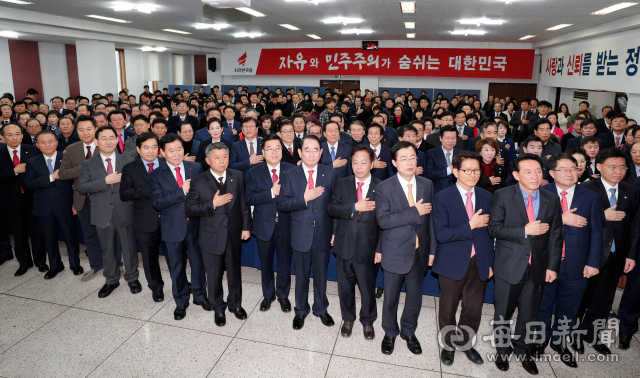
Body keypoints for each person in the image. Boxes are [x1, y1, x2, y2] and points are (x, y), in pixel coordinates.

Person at [487, 154, 563, 375]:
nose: (534, 175)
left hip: (537, 267)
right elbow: (493, 229)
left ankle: (523, 349)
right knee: (503, 312)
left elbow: (556, 236)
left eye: (538, 171)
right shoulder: (503, 195)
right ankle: (502, 349)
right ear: (515, 175)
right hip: (508, 266)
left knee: (529, 313)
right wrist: (524, 231)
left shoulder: (551, 199)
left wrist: (552, 266)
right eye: (528, 171)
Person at [531, 153, 603, 368]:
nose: (570, 173)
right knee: (543, 304)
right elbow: (532, 225)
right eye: (563, 169)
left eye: (573, 168)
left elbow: (597, 233)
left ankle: (559, 341)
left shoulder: (589, 196)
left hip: (578, 263)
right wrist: (561, 219)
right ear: (551, 173)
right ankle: (541, 338)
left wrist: (593, 263)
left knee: (569, 307)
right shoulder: (540, 193)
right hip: (545, 263)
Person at [574, 148, 640, 355]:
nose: (618, 171)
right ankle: (573, 333)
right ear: (600, 166)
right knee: (581, 296)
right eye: (613, 166)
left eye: (622, 167)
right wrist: (603, 216)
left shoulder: (632, 191)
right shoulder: (585, 189)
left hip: (617, 254)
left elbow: (636, 227)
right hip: (589, 254)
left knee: (604, 298)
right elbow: (575, 224)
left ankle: (592, 334)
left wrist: (631, 255)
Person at [432, 150, 494, 366]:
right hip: (452, 261)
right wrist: (470, 225)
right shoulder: (442, 197)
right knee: (448, 308)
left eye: (476, 170)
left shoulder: (487, 196)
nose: (472, 174)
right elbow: (442, 234)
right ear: (455, 171)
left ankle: (466, 343)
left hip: (480, 262)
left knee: (473, 308)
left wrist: (490, 263)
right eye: (467, 170)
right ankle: (448, 344)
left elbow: (489, 234)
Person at [376, 141, 436, 356]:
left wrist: (432, 250)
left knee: (414, 297)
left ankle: (408, 331)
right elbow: (383, 220)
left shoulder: (427, 184)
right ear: (394, 162)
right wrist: (414, 211)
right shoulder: (384, 187)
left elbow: (430, 220)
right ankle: (390, 332)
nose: (409, 162)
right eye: (403, 158)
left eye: (412, 157)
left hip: (419, 252)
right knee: (390, 298)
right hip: (394, 251)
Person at [185, 141, 252, 326]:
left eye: (225, 157)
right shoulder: (199, 181)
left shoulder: (237, 176)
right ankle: (218, 308)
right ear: (207, 160)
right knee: (214, 275)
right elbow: (190, 209)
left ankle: (235, 304)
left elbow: (243, 205)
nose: (221, 161)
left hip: (233, 234)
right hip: (210, 236)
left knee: (234, 273)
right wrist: (213, 204)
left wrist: (246, 227)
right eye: (217, 157)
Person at [278, 135, 335, 330]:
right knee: (301, 276)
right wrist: (304, 198)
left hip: (323, 233)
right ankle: (301, 310)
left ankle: (321, 308)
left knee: (321, 275)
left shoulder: (330, 173)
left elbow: (335, 206)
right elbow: (283, 204)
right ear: (300, 153)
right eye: (307, 150)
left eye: (315, 150)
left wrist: (334, 231)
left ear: (321, 152)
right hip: (300, 234)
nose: (311, 153)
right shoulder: (289, 174)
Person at [148, 134, 208, 320]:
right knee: (177, 266)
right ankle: (181, 302)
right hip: (172, 227)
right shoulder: (156, 175)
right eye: (171, 150)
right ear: (163, 153)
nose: (176, 154)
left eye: (179, 149)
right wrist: (182, 191)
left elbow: (205, 193)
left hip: (197, 225)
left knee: (199, 263)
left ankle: (200, 295)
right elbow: (158, 202)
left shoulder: (195, 167)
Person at [78, 126, 139, 298]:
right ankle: (111, 280)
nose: (108, 141)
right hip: (102, 211)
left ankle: (132, 277)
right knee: (108, 249)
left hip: (125, 210)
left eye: (111, 137)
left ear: (116, 140)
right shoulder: (88, 164)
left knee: (129, 247)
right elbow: (82, 187)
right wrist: (105, 180)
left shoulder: (127, 160)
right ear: (96, 141)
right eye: (103, 138)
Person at [327, 145, 381, 340]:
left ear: (372, 164)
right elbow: (332, 209)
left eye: (364, 162)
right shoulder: (342, 183)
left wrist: (380, 248)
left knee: (367, 289)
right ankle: (348, 318)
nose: (359, 166)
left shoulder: (381, 186)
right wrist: (353, 207)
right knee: (345, 287)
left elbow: (384, 222)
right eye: (355, 162)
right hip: (344, 245)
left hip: (368, 248)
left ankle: (367, 321)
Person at [58, 115, 112, 282]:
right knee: (89, 235)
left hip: (104, 197)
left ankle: (115, 265)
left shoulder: (106, 144)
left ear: (96, 128)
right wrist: (85, 167)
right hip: (82, 198)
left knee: (109, 234)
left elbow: (111, 170)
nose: (85, 132)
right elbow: (63, 173)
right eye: (81, 129)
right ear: (76, 131)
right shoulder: (72, 149)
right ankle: (96, 265)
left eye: (89, 128)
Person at [245, 134, 295, 312]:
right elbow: (249, 197)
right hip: (263, 225)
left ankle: (283, 295)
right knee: (265, 263)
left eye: (277, 148)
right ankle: (268, 295)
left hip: (287, 225)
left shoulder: (292, 170)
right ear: (263, 152)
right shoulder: (253, 172)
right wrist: (271, 192)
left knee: (284, 263)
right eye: (270, 149)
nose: (274, 152)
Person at [24, 130, 83, 279]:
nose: (47, 145)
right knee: (49, 239)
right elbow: (29, 184)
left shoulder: (66, 158)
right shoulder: (32, 162)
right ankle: (55, 266)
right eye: (42, 142)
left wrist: (76, 202)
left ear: (57, 142)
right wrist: (51, 177)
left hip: (65, 205)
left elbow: (76, 182)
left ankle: (75, 264)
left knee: (71, 237)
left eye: (50, 141)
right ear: (37, 145)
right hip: (43, 207)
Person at [119, 132, 169, 303]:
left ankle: (180, 283)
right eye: (146, 147)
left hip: (169, 218)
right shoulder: (130, 168)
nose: (151, 151)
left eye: (154, 147)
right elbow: (124, 193)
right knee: (149, 258)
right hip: (145, 219)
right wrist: (148, 191)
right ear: (138, 149)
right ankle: (156, 287)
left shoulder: (166, 163)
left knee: (174, 256)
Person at [0, 124, 46, 276]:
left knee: (37, 232)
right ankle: (24, 263)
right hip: (11, 200)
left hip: (33, 198)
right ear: (3, 137)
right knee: (19, 234)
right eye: (10, 135)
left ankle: (40, 261)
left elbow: (42, 171)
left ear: (22, 135)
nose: (14, 137)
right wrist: (13, 171)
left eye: (17, 134)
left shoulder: (32, 149)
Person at [425, 125, 461, 192]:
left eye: (453, 138)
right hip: (438, 190)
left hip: (457, 190)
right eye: (447, 138)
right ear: (440, 138)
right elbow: (428, 174)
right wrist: (449, 170)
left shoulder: (460, 154)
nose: (450, 141)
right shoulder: (431, 153)